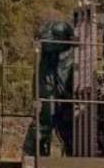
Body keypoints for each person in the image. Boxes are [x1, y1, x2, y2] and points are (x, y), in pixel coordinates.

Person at [25, 21, 75, 156]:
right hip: (48, 90)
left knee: (64, 124)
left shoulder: (66, 55)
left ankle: (69, 155)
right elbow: (43, 39)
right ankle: (33, 153)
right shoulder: (53, 49)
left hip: (56, 91)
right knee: (45, 120)